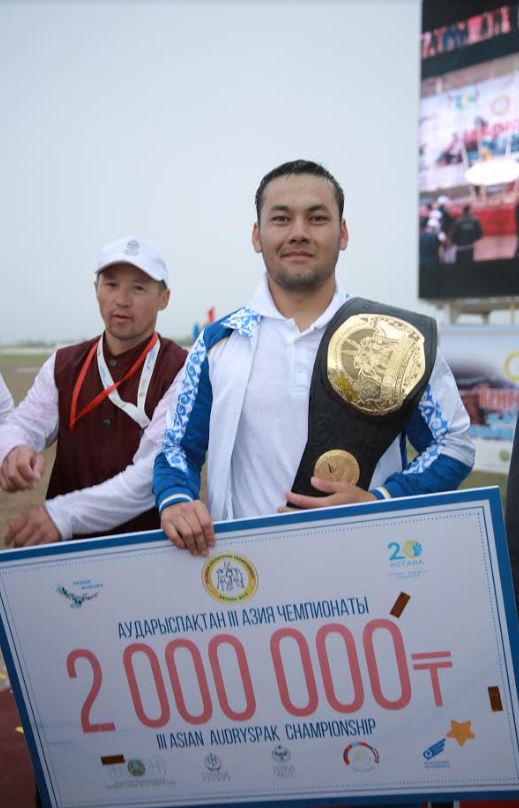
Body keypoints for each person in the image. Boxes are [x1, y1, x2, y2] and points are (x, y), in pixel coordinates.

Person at [153, 159, 475, 560]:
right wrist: (176, 497)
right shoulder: (219, 342)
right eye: (281, 219)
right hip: (249, 576)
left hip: (366, 566)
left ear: (343, 233)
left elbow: (454, 444)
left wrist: (380, 501)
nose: (299, 232)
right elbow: (177, 448)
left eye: (317, 218)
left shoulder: (396, 337)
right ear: (256, 235)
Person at [0, 236, 187, 546]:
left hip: (147, 550)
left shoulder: (180, 369)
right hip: (66, 552)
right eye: (111, 285)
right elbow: (21, 425)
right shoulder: (63, 364)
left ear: (163, 298)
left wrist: (63, 515)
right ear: (96, 289)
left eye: (138, 288)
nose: (122, 299)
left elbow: (153, 472)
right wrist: (14, 449)